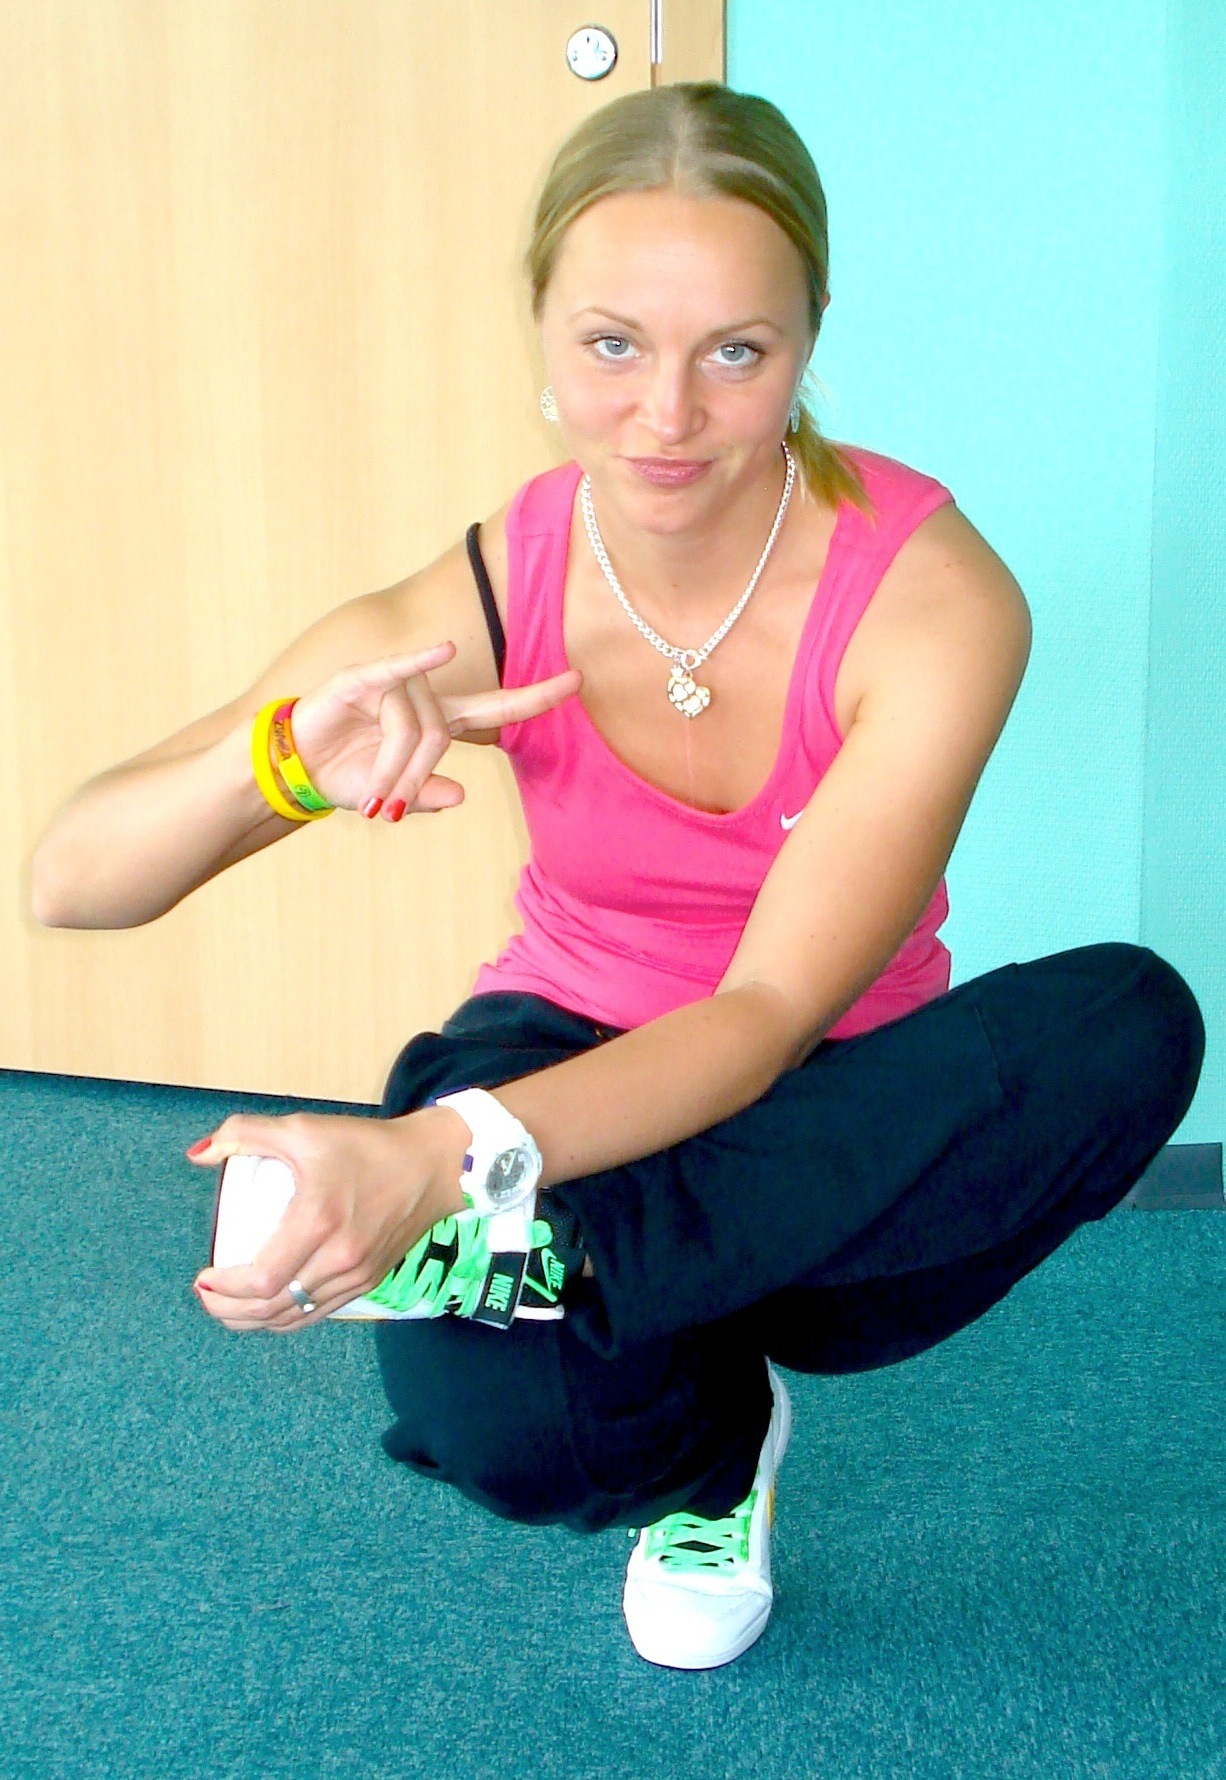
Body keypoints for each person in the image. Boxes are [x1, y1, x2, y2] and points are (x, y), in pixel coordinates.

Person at [30, 83, 1205, 1672]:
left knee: (1125, 1019)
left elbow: (769, 1012)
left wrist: (442, 1162)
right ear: (539, 331)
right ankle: (706, 1449)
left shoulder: (932, 599)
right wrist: (286, 760)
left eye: (735, 352)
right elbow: (73, 879)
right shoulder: (489, 590)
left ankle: (553, 1249)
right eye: (610, 345)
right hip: (562, 1046)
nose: (665, 415)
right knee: (514, 1435)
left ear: (810, 336)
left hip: (832, 1124)